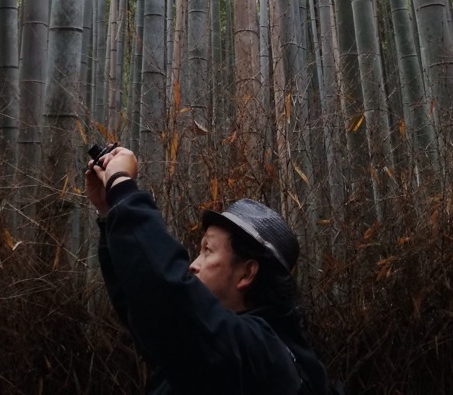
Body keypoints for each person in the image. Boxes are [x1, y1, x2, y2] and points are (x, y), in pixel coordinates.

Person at [85, 145, 328, 394]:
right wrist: (110, 212)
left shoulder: (263, 354)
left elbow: (169, 296)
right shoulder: (224, 348)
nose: (193, 264)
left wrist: (122, 187)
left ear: (247, 273)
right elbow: (145, 305)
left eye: (208, 250)